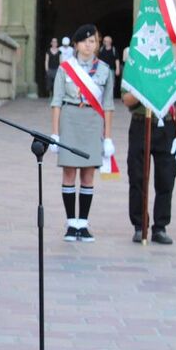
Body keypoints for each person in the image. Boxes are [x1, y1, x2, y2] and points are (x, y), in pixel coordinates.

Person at [50, 24, 114, 242]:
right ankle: (71, 223)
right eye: (86, 41)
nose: (90, 45)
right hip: (70, 119)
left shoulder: (105, 69)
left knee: (88, 174)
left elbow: (108, 106)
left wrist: (108, 137)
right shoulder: (65, 68)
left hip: (93, 122)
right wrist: (55, 134)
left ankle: (83, 223)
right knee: (69, 172)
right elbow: (56, 101)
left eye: (93, 41)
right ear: (76, 44)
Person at [123, 82, 176, 245]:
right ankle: (139, 225)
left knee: (166, 178)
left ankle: (160, 227)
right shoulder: (136, 66)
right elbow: (126, 99)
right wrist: (145, 83)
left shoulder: (172, 68)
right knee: (137, 176)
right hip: (140, 123)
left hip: (166, 125)